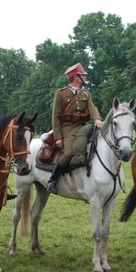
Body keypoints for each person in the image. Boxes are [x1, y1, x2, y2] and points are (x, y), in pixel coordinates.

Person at [46, 63, 102, 194]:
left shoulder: (85, 93)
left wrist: (97, 119)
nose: (85, 77)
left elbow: (92, 108)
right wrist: (58, 137)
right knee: (69, 154)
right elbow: (55, 117)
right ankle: (53, 179)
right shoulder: (61, 94)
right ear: (76, 77)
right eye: (83, 75)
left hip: (83, 127)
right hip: (68, 129)